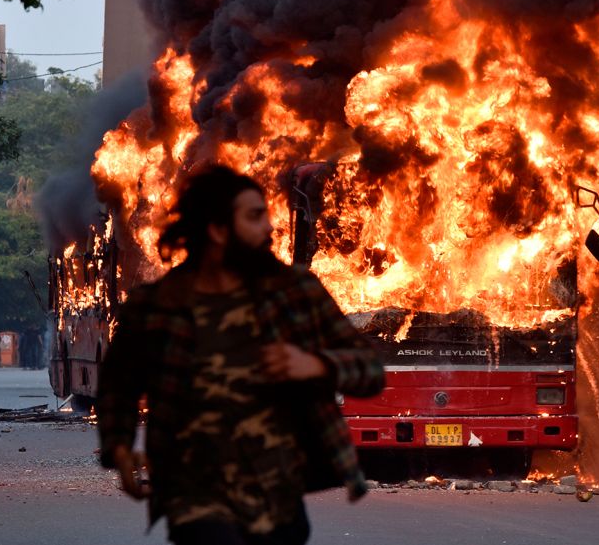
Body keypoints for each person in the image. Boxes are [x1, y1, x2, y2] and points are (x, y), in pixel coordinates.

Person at [97, 165, 384, 545]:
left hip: (278, 493)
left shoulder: (294, 292)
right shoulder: (157, 305)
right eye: (254, 217)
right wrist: (118, 447)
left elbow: (369, 369)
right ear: (217, 230)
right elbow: (119, 383)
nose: (270, 229)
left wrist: (316, 364)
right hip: (194, 493)